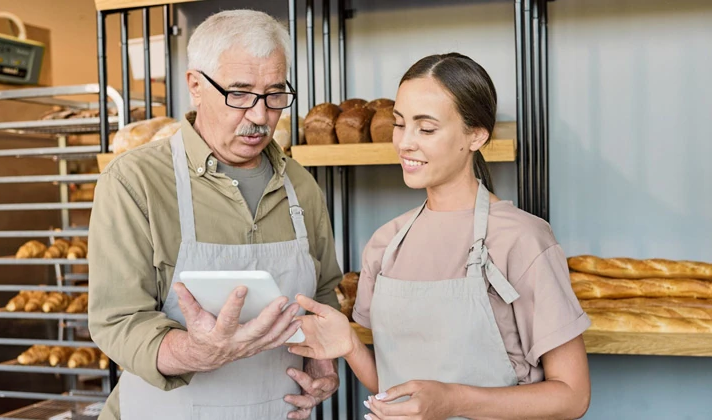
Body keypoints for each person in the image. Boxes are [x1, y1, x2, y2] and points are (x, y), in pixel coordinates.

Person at [289, 53, 592, 420]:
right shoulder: (386, 244)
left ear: (476, 135)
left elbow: (572, 396)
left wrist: (454, 400)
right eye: (400, 124)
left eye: (426, 128)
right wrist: (350, 345)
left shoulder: (522, 239)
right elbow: (396, 393)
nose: (404, 143)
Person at [88, 10, 343, 420]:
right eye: (240, 94)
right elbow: (117, 321)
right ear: (195, 86)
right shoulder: (135, 182)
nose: (261, 116)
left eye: (275, 94)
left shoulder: (301, 185)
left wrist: (323, 363)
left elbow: (325, 292)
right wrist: (197, 352)